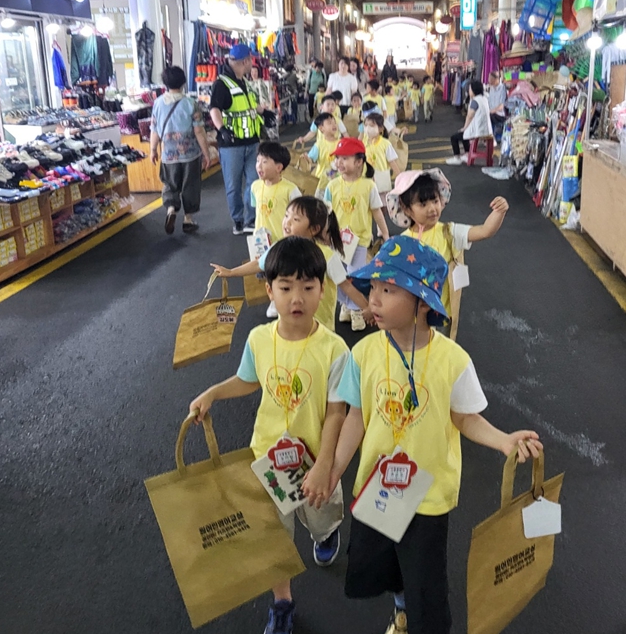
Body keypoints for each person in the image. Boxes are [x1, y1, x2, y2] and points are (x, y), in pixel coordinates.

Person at [328, 236, 542, 634]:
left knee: (425, 576)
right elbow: (355, 417)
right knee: (384, 562)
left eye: (387, 290)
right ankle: (401, 609)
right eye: (372, 288)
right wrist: (334, 470)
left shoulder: (453, 360)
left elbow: (466, 418)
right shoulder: (363, 354)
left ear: (422, 302)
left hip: (428, 492)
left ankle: (421, 619)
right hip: (378, 486)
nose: (373, 299)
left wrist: (503, 440)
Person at [190, 237, 350, 634]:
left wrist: (326, 464)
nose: (297, 298)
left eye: (308, 287)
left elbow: (336, 413)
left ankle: (326, 532)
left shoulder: (335, 349)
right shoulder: (259, 339)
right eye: (285, 287)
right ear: (269, 290)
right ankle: (282, 602)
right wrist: (213, 392)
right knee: (271, 536)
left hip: (315, 460)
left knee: (319, 516)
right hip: (267, 457)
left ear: (322, 289)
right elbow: (248, 381)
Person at [211, 197, 373, 331]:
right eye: (286, 215)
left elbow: (346, 286)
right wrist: (231, 272)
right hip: (289, 322)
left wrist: (367, 308)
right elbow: (258, 264)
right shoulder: (280, 248)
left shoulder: (327, 256)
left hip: (320, 325)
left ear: (314, 229)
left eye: (295, 219)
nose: (287, 222)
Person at [386, 169, 509, 336]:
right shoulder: (401, 242)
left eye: (435, 201)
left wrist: (499, 212)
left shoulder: (449, 232)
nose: (432, 209)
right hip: (412, 315)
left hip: (441, 312)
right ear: (407, 209)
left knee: (440, 351)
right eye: (423, 204)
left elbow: (484, 231)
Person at [324, 138, 389, 331]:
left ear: (359, 161)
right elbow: (326, 213)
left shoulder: (369, 186)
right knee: (338, 275)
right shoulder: (332, 186)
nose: (339, 163)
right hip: (335, 240)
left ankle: (356, 310)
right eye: (338, 159)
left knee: (356, 277)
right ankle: (346, 304)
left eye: (345, 158)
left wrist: (384, 233)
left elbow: (377, 211)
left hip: (359, 241)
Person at [149, 66, 212, 235]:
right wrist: (206, 154)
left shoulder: (158, 103)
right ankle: (188, 219)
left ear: (165, 83)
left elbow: (154, 129)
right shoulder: (191, 104)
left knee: (169, 183)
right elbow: (199, 131)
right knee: (190, 185)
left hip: (168, 154)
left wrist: (153, 150)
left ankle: (171, 209)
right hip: (190, 154)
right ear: (184, 82)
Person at [209, 44, 264, 235]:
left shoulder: (244, 82)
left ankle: (251, 219)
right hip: (231, 144)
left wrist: (263, 113)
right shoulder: (222, 84)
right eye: (251, 60)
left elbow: (248, 108)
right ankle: (238, 220)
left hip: (251, 141)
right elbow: (214, 108)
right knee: (233, 185)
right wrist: (221, 129)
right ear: (245, 61)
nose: (252, 64)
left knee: (254, 181)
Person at [250, 142, 301, 243]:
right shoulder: (255, 186)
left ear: (278, 168)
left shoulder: (290, 190)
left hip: (283, 241)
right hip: (260, 241)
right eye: (257, 160)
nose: (259, 166)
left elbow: (299, 217)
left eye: (264, 162)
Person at [447, 80, 493, 166]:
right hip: (487, 129)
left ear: (474, 90)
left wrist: (464, 128)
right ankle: (467, 154)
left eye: (470, 89)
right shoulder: (484, 98)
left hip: (479, 130)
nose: (469, 91)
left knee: (455, 137)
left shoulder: (475, 101)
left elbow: (469, 116)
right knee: (465, 134)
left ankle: (457, 157)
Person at [305, 112, 341, 198]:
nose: (334, 124)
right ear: (321, 128)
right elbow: (310, 159)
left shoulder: (341, 143)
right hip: (322, 182)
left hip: (339, 181)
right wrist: (306, 158)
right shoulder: (319, 145)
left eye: (334, 122)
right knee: (320, 206)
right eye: (329, 123)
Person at [487, 71, 507, 139]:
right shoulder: (491, 88)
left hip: (500, 114)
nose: (488, 80)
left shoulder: (502, 88)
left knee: (490, 115)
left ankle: (492, 136)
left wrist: (491, 111)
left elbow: (501, 106)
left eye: (490, 78)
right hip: (492, 113)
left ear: (495, 79)